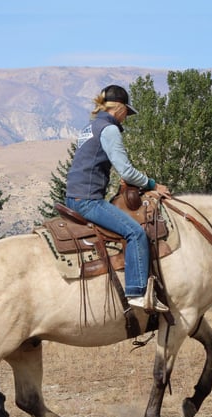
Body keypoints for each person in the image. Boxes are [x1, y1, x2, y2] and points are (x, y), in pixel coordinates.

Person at [66, 85, 169, 312]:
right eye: (127, 113)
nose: (126, 119)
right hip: (88, 200)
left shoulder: (91, 127)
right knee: (135, 232)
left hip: (74, 196)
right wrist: (153, 185)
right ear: (120, 108)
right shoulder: (109, 130)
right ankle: (136, 292)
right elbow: (127, 170)